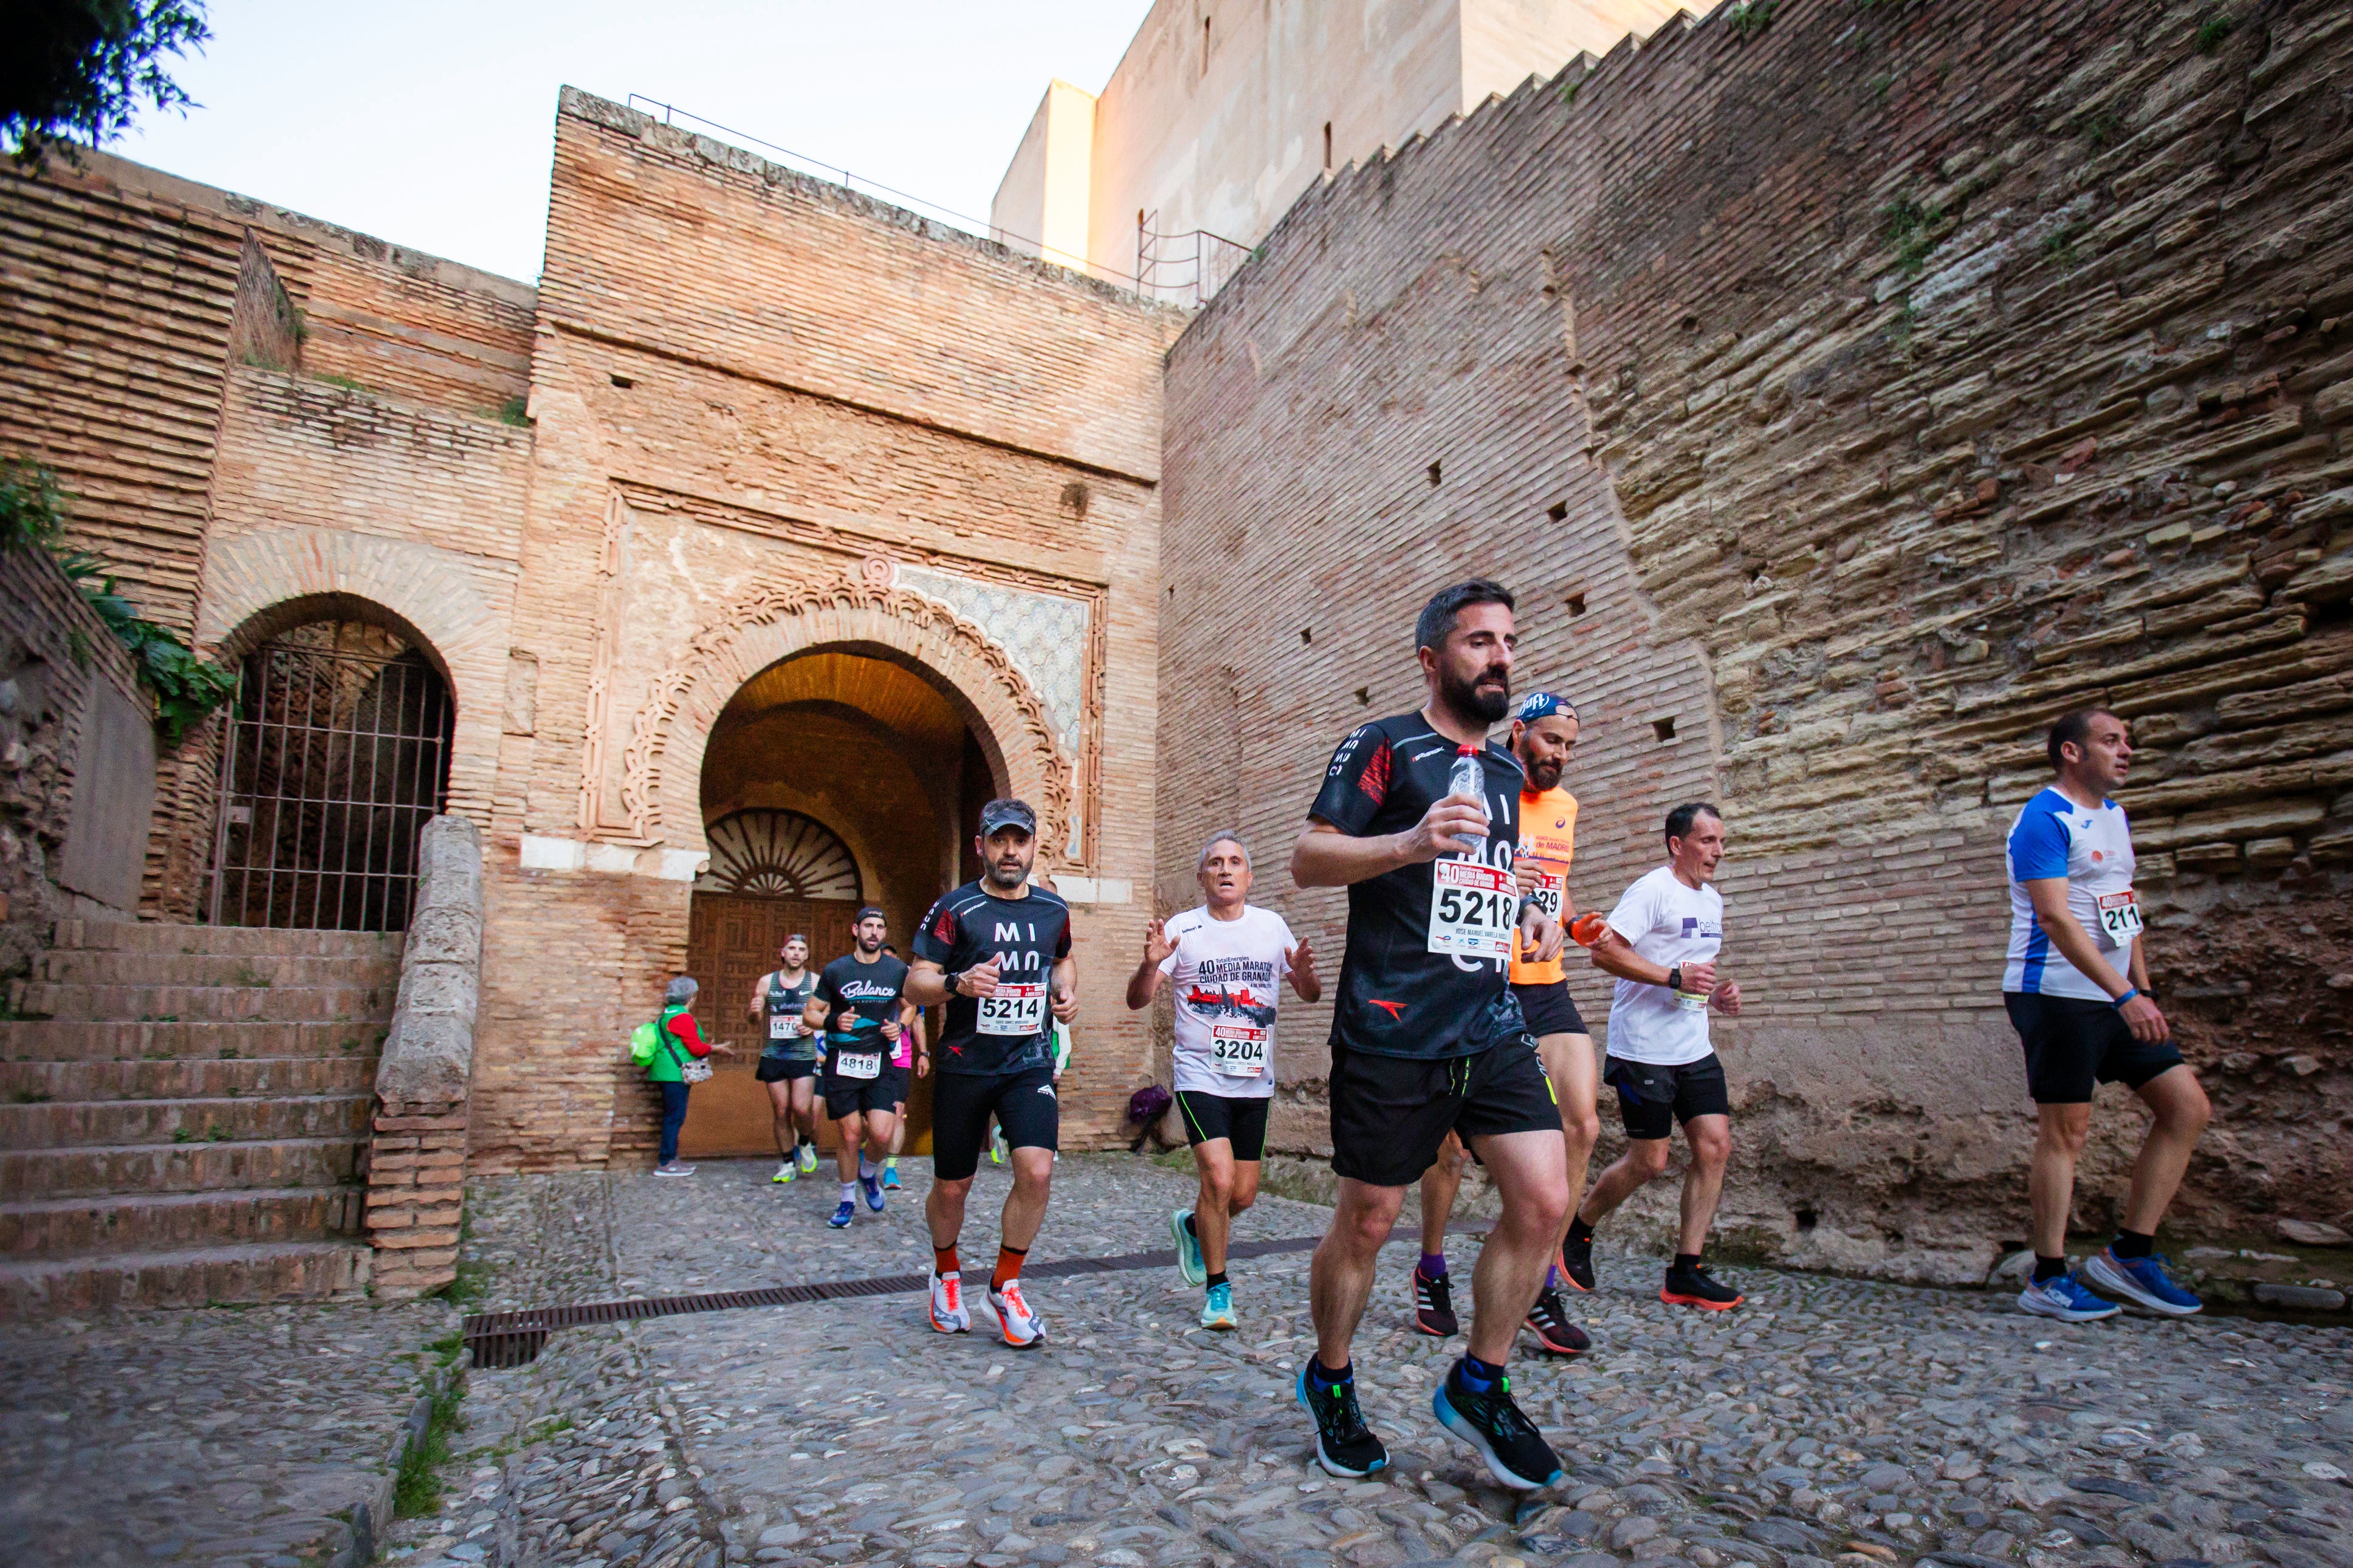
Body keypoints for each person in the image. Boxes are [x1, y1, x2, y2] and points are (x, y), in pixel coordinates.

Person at [1290, 579, 1570, 1490]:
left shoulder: (1505, 775)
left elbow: (1501, 878)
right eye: (1480, 641)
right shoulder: (1383, 745)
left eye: (1509, 641)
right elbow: (1308, 855)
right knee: (1370, 1220)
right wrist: (1406, 844)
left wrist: (1532, 914)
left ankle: (1478, 1382)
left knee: (1543, 1198)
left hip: (1487, 1022)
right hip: (1391, 1027)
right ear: (1431, 658)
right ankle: (1330, 1379)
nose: (1501, 657)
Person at [2006, 709, 2210, 1321]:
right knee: (2064, 1131)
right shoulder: (2042, 818)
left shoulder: (2115, 817)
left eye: (2126, 742)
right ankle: (2046, 1276)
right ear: (2070, 751)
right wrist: (2124, 995)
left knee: (2185, 1108)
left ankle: (2128, 1254)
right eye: (2110, 741)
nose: (2126, 751)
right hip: (2054, 994)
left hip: (2117, 995)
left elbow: (2120, 907)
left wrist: (2140, 987)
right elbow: (2055, 918)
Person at [1415, 690, 1597, 1356]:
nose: (1560, 756)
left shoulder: (1565, 807)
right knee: (1448, 1149)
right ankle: (1430, 1265)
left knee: (1582, 1123)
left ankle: (1539, 1279)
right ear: (1518, 732)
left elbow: (1557, 881)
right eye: (1551, 741)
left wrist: (1576, 923)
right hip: (1482, 978)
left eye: (1570, 746)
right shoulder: (1480, 784)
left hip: (1543, 979)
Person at [1128, 830, 1322, 1331]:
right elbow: (1138, 1000)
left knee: (1242, 1195)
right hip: (1200, 1075)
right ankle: (1218, 1291)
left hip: (1254, 1080)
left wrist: (1303, 975)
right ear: (1202, 877)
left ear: (1249, 876)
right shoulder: (1182, 929)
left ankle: (1193, 1226)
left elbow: (1309, 994)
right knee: (1218, 1179)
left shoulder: (1270, 925)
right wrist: (1149, 966)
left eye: (1235, 862)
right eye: (1215, 862)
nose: (1225, 869)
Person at [907, 798, 1076, 1348]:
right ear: (981, 845)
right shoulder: (955, 909)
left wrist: (1065, 990)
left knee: (1037, 1172)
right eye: (999, 841)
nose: (1010, 851)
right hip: (966, 1064)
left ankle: (1004, 1286)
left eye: (1020, 841)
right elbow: (916, 983)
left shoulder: (1053, 909)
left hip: (1028, 1063)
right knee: (953, 1186)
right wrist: (957, 983)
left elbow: (1063, 958)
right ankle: (947, 1272)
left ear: (1033, 847)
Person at [1572, 804, 1746, 1310]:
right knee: (1650, 1160)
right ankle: (1579, 1228)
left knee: (1715, 1146)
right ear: (1678, 844)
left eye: (1721, 842)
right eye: (1708, 840)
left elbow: (1694, 973)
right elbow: (1605, 953)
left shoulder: (1713, 900)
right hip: (1643, 1048)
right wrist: (1672, 977)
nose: (1717, 851)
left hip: (1694, 1044)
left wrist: (1716, 995)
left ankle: (1685, 1271)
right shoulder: (1651, 890)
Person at [805, 908, 921, 1228]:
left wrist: (901, 1026)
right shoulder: (837, 970)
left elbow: (910, 1006)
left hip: (881, 1061)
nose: (874, 932)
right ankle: (846, 1200)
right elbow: (809, 1014)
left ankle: (868, 1174)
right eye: (868, 926)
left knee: (882, 1133)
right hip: (843, 1062)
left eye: (880, 927)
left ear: (884, 933)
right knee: (851, 1134)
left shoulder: (898, 970)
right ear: (856, 930)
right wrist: (832, 1021)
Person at [747, 935, 822, 1183]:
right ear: (783, 953)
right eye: (792, 949)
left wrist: (812, 1026)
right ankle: (788, 1163)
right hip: (775, 1054)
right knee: (781, 1111)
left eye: (802, 950)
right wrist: (754, 1012)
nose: (796, 953)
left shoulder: (815, 982)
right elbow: (754, 1021)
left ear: (807, 956)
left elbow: (828, 1012)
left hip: (803, 1054)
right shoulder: (767, 982)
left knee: (802, 1108)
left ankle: (804, 1142)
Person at [643, 976, 733, 1176]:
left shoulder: (666, 1015)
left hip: (664, 1072)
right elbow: (696, 1048)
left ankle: (672, 1158)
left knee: (672, 1116)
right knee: (674, 1118)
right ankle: (666, 1163)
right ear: (691, 997)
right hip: (675, 1074)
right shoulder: (683, 1017)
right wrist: (715, 1048)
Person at [879, 943, 919, 1191]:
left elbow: (914, 1013)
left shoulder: (902, 981)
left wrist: (923, 1053)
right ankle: (867, 1152)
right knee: (868, 1117)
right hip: (867, 1054)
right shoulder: (860, 977)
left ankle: (891, 1169)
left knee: (897, 1111)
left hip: (899, 1056)